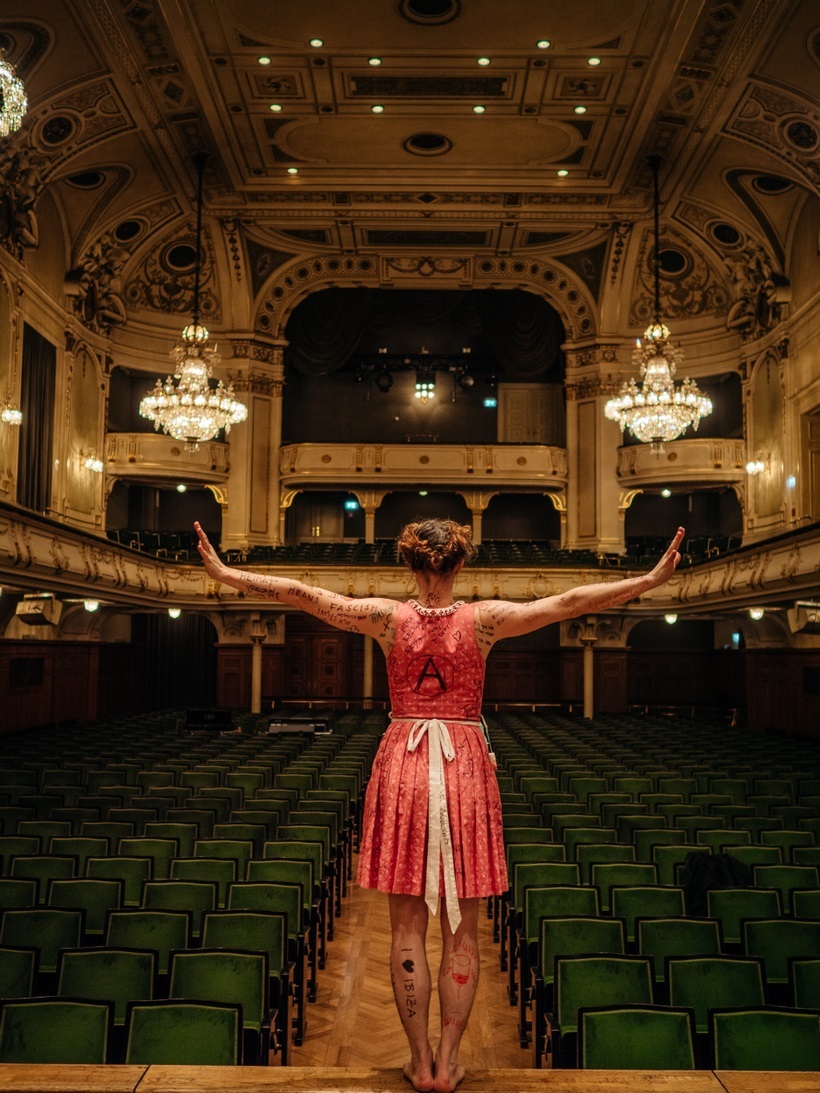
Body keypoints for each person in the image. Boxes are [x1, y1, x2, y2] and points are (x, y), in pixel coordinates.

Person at [194, 518, 685, 1092]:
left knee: (406, 930)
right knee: (463, 933)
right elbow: (570, 601)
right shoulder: (484, 621)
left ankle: (419, 1058)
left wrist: (226, 573)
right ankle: (450, 1061)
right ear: (458, 566)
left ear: (410, 565)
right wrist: (646, 579)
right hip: (465, 766)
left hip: (404, 759)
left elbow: (302, 595)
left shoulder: (384, 618)